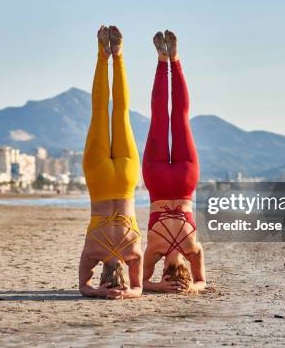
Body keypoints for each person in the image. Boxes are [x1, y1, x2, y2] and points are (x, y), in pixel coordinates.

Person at [78, 25, 143, 299]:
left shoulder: (133, 250)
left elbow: (139, 289)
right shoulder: (93, 250)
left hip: (126, 180)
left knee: (122, 113)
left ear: (123, 275)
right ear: (102, 273)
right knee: (100, 113)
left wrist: (127, 293)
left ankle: (118, 56)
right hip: (100, 179)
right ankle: (103, 54)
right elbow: (83, 287)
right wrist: (97, 292)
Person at [142, 30, 206, 293]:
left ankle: (173, 59)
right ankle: (162, 58)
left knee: (179, 116)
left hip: (184, 182)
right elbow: (141, 284)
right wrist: (159, 287)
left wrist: (192, 287)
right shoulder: (154, 251)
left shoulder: (193, 250)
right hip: (158, 182)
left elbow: (202, 282)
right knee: (160, 117)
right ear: (163, 270)